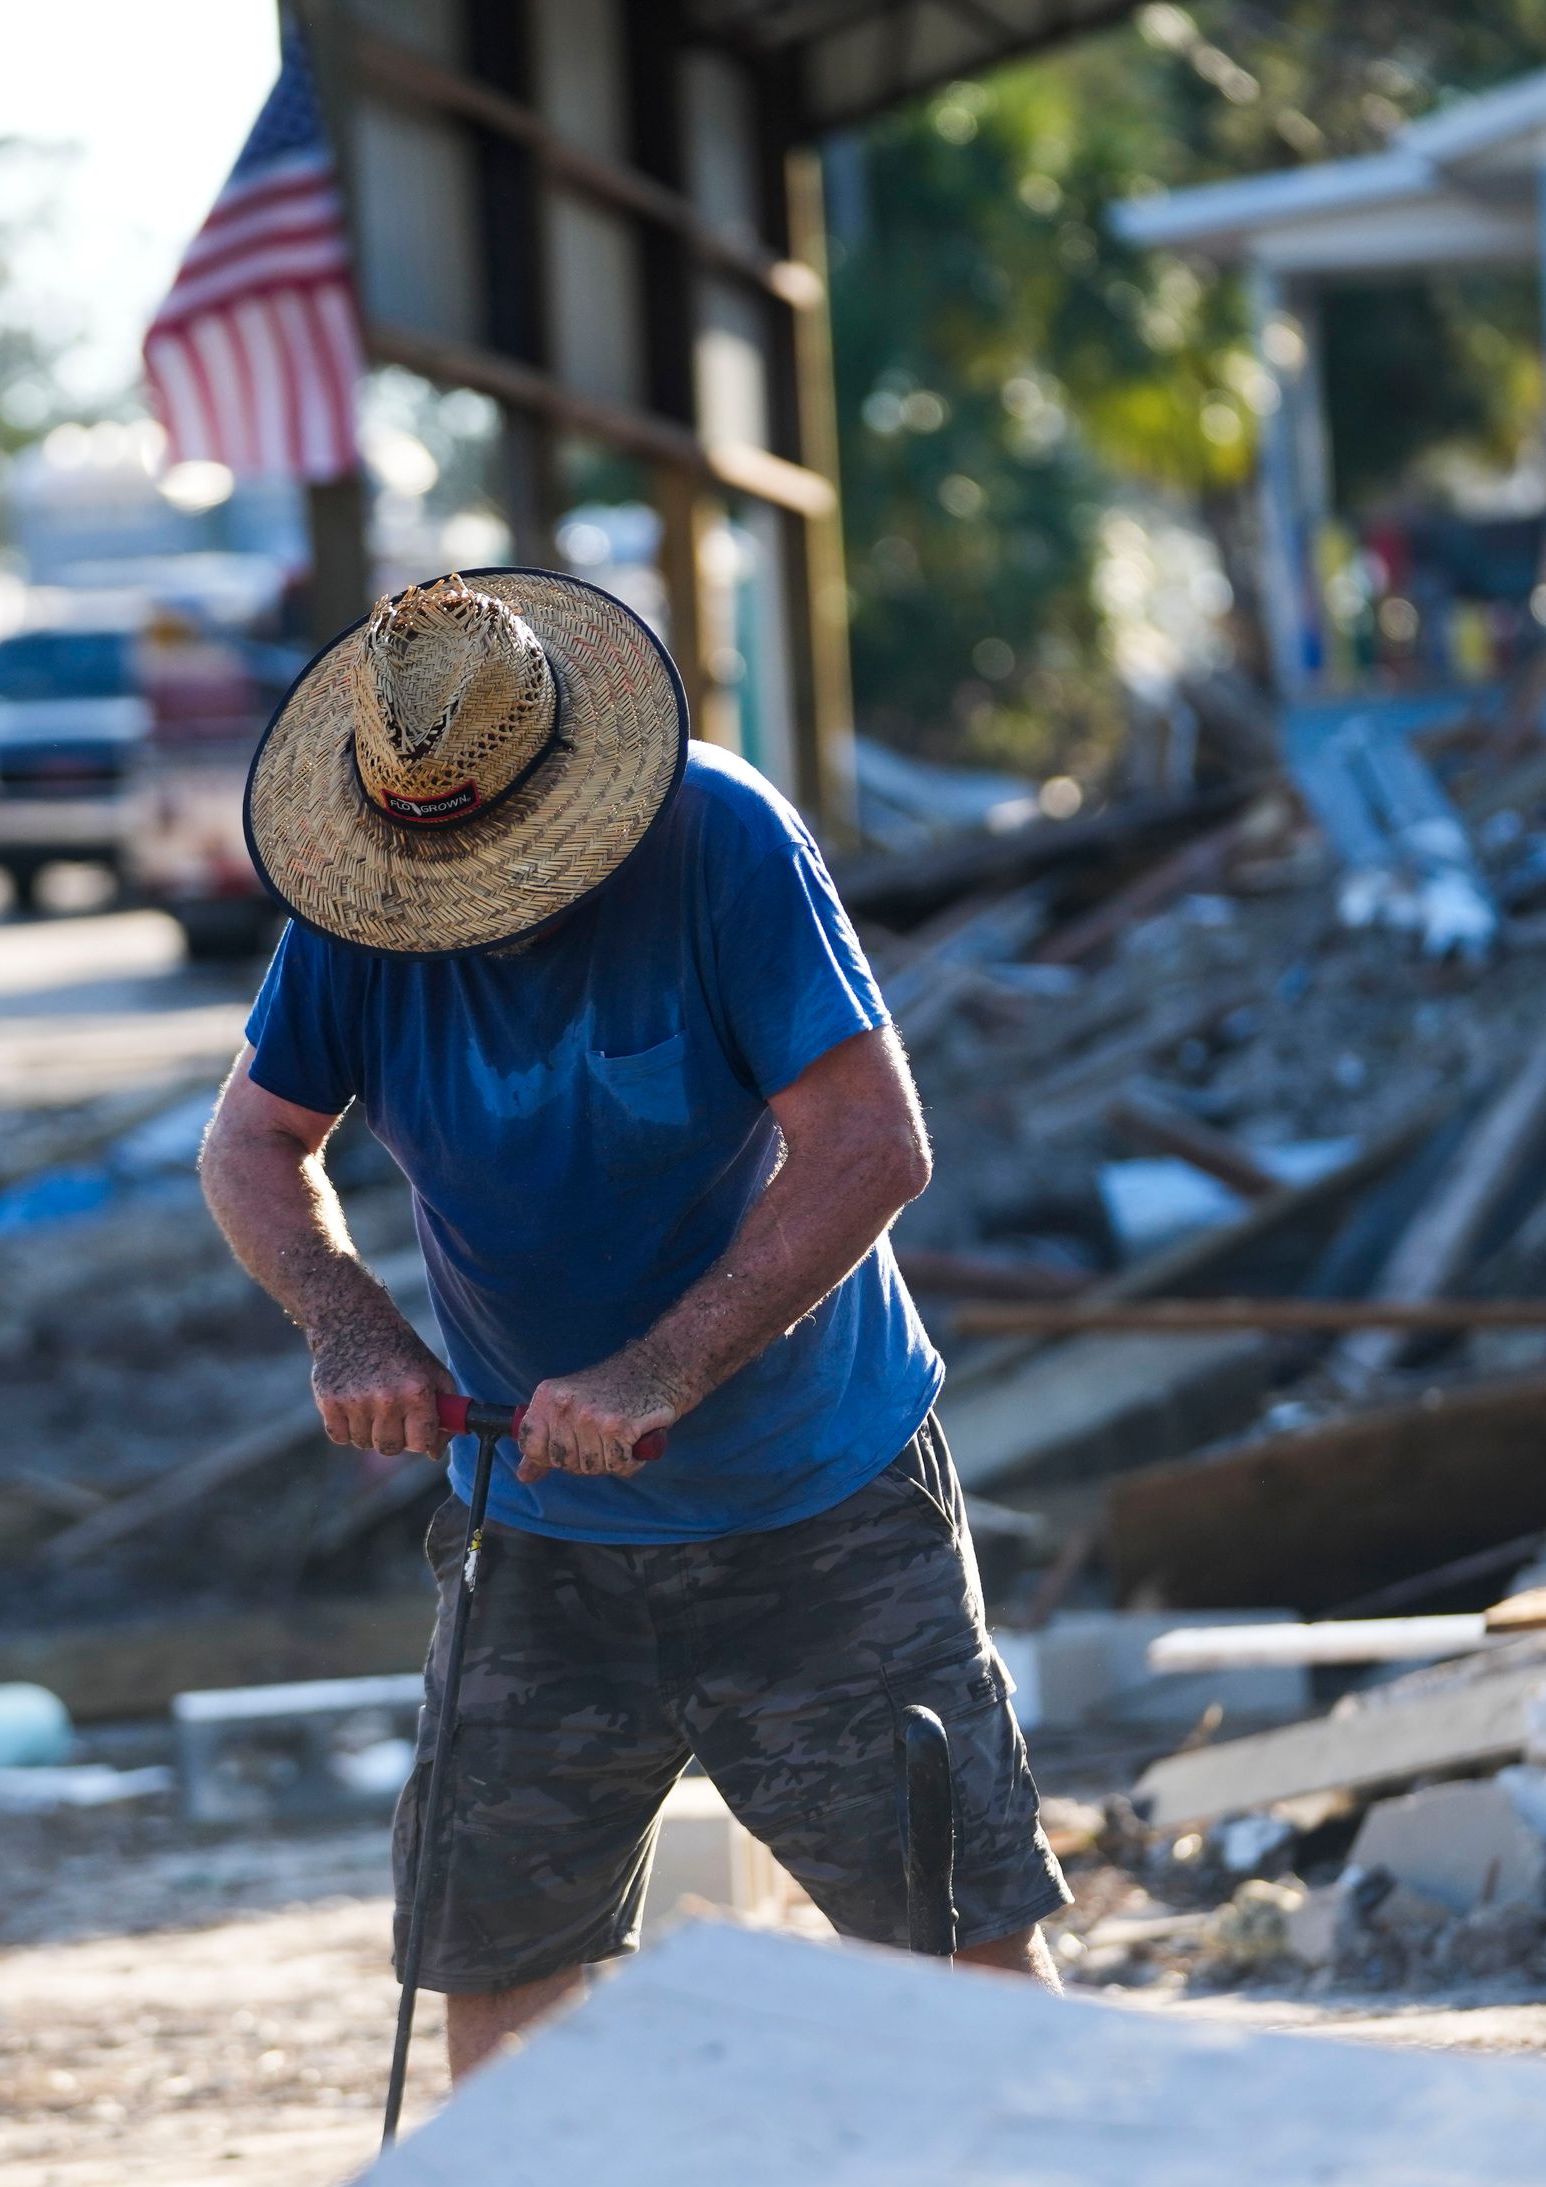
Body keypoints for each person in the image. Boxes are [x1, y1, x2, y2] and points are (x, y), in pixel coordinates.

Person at [197, 570, 1064, 2078]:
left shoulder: (721, 840)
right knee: (497, 1954)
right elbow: (250, 1144)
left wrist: (662, 1366)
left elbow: (872, 1145)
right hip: (537, 1530)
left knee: (957, 1941)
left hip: (819, 1499)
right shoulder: (359, 896)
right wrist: (349, 1323)